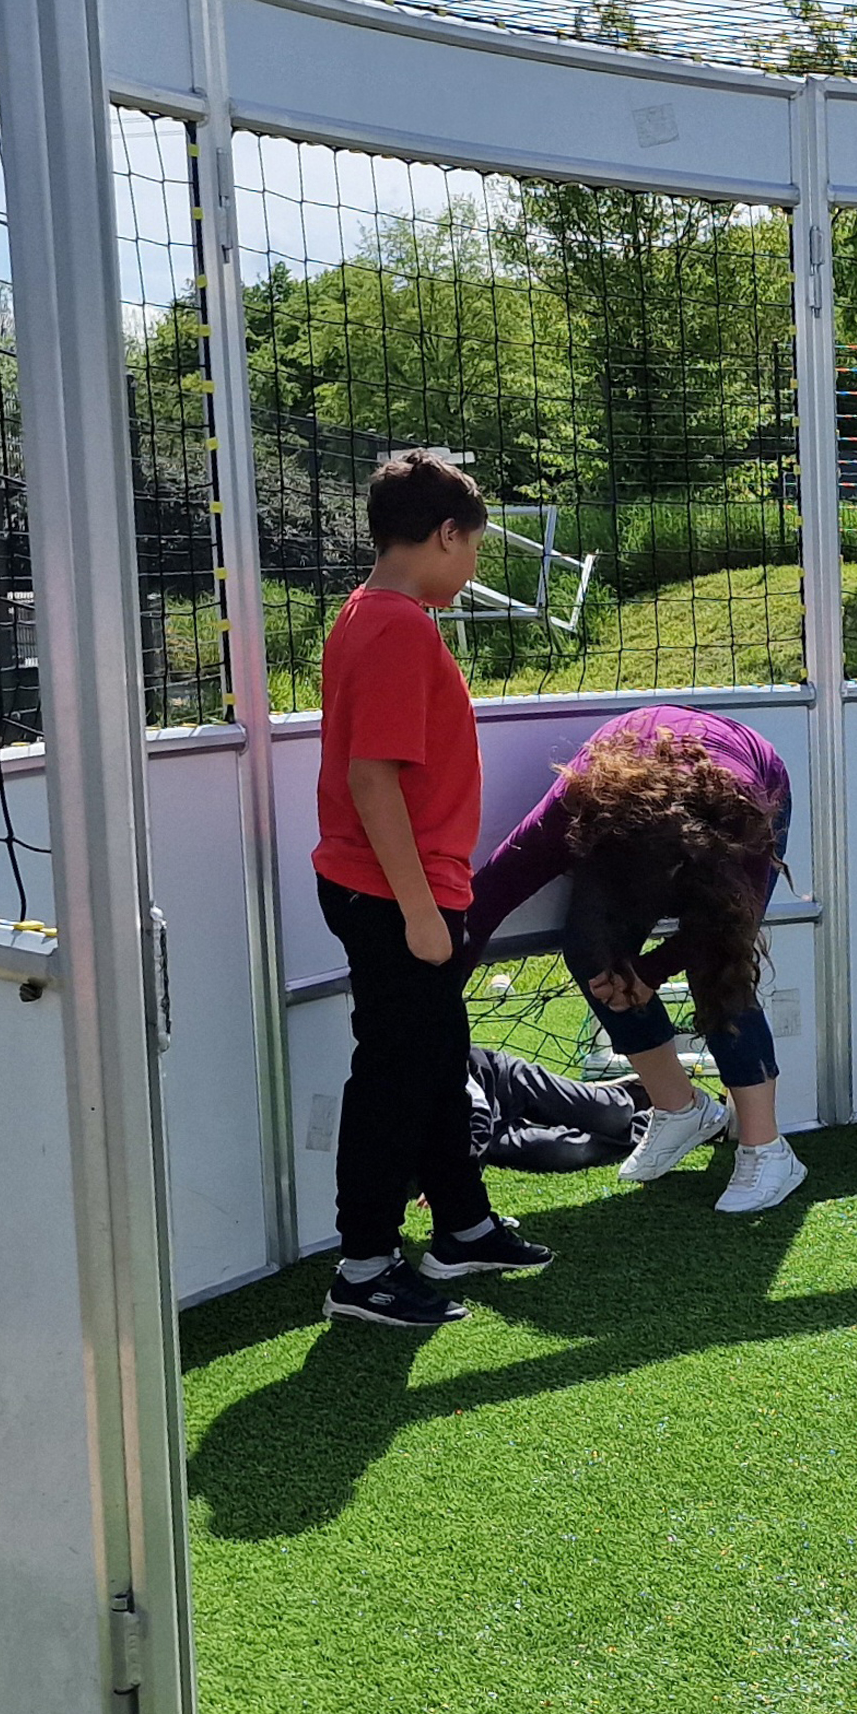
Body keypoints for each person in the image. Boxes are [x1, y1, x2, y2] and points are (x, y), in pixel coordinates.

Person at [310, 451, 554, 1328]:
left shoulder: (376, 614)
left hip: (399, 886)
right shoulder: (397, 626)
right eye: (475, 548)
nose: (475, 567)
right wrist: (419, 910)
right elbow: (371, 778)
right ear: (445, 533)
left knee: (434, 1059)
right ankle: (365, 1266)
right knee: (392, 1077)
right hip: (391, 895)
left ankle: (462, 1225)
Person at [461, 706, 809, 1213]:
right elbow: (491, 891)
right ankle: (679, 1108)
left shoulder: (741, 817)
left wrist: (650, 971)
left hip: (737, 794)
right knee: (589, 947)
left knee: (718, 971)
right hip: (634, 797)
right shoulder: (577, 803)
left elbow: (729, 927)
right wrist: (438, 985)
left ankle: (767, 1149)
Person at [463, 1044, 646, 1173]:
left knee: (615, 1113)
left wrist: (464, 1170)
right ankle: (645, 1126)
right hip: (491, 1135)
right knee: (566, 1150)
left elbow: (478, 1108)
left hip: (502, 1080)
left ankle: (623, 1092)